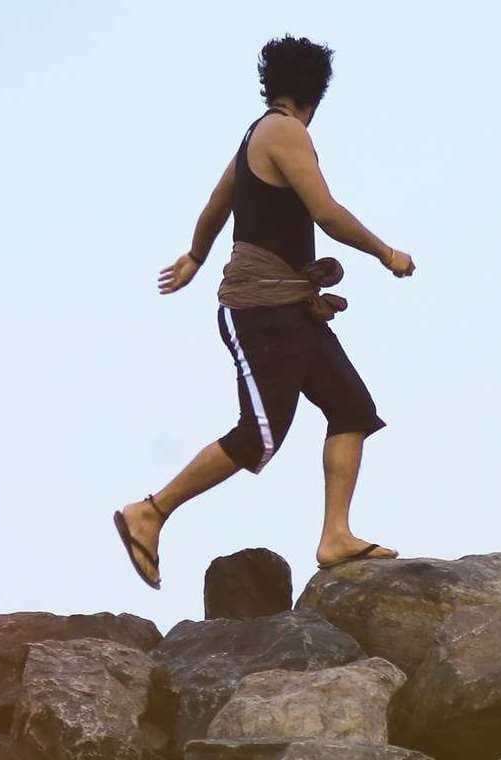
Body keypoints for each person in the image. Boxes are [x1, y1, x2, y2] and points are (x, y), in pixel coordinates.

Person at [115, 36, 415, 590]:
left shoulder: (258, 134)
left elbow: (216, 206)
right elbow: (326, 213)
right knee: (260, 434)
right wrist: (385, 252)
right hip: (259, 310)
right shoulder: (285, 131)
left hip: (292, 308)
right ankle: (150, 512)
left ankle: (335, 536)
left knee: (351, 409)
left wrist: (196, 257)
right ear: (316, 94)